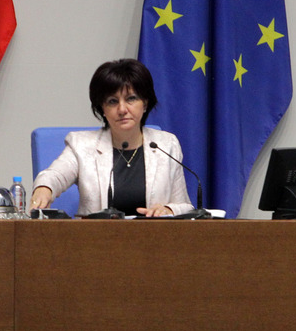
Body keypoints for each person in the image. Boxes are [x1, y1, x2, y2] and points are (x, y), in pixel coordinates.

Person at [30, 59, 193, 217]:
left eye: (131, 99)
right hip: (97, 235)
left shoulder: (166, 144)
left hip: (153, 235)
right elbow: (54, 176)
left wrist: (168, 210)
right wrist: (44, 188)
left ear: (144, 103)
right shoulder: (82, 145)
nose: (122, 109)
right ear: (103, 108)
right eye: (112, 101)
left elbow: (184, 206)